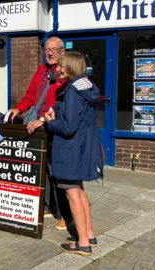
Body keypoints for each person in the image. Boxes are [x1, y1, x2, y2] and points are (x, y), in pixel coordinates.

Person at [6, 36, 72, 230]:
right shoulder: (42, 71)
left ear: (62, 52)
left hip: (57, 127)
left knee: (59, 173)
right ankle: (48, 207)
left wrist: (43, 120)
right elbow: (30, 97)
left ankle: (66, 214)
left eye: (54, 49)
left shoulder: (66, 73)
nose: (49, 52)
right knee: (42, 169)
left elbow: (62, 106)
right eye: (47, 49)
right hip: (39, 128)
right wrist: (18, 109)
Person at [44, 51, 104, 256]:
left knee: (72, 194)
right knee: (79, 190)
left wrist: (51, 121)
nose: (58, 70)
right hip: (84, 147)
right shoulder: (87, 86)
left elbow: (68, 128)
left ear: (70, 67)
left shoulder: (72, 91)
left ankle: (83, 243)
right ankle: (89, 234)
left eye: (61, 66)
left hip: (71, 150)